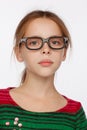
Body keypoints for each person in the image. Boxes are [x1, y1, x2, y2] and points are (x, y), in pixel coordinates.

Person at [0, 10, 87, 130]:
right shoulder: (1, 104)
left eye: (55, 42)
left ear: (64, 52)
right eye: (34, 42)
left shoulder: (74, 113)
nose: (46, 50)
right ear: (19, 52)